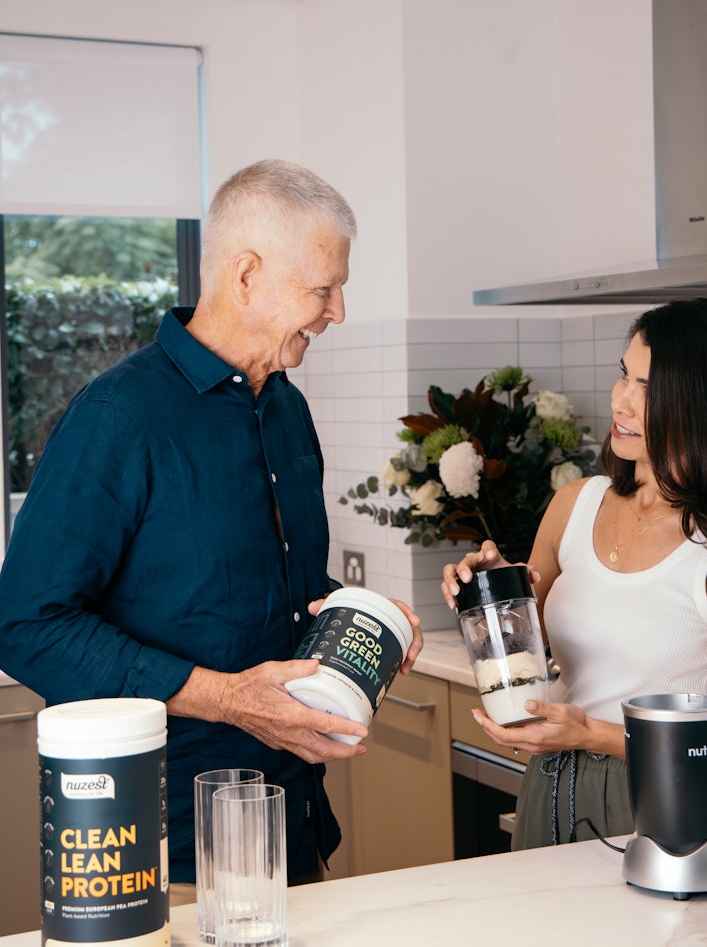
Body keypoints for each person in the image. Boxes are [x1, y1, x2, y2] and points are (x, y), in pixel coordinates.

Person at [0, 158, 422, 887]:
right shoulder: (119, 416)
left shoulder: (287, 408)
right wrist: (228, 699)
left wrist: (360, 626)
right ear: (247, 275)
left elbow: (275, 591)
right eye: (323, 288)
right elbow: (26, 623)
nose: (337, 312)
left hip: (294, 821)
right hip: (167, 850)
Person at [442, 298, 707, 849]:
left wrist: (591, 733)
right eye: (624, 375)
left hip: (661, 801)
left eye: (650, 388)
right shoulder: (576, 504)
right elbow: (522, 654)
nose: (622, 400)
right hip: (548, 783)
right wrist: (493, 595)